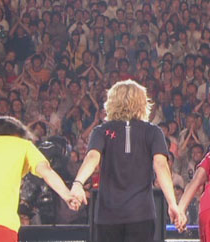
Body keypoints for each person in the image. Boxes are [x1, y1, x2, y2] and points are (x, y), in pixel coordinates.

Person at [69, 79, 181, 242]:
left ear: (111, 102)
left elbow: (92, 157)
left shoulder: (101, 131)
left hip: (109, 215)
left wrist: (78, 183)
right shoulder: (153, 131)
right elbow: (161, 166)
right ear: (142, 102)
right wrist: (172, 203)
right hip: (141, 214)